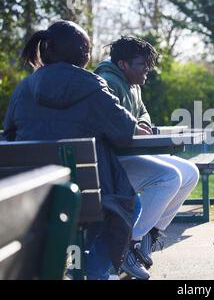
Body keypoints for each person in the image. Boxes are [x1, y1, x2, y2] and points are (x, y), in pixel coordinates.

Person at [2, 20, 142, 280]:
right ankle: (94, 272)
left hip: (29, 196)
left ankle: (78, 268)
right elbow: (124, 132)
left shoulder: (23, 89)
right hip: (87, 198)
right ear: (85, 55)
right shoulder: (92, 86)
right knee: (132, 203)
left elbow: (9, 136)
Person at [94, 36, 199, 280]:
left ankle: (150, 234)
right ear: (123, 65)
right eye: (143, 66)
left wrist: (141, 123)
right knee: (169, 177)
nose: (147, 72)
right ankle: (130, 244)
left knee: (190, 172)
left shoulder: (133, 85)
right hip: (113, 161)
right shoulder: (107, 82)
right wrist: (133, 128)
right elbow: (112, 124)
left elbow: (143, 113)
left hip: (132, 155)